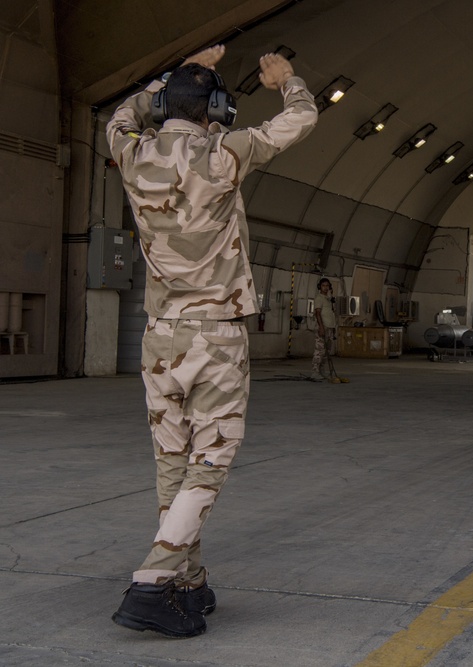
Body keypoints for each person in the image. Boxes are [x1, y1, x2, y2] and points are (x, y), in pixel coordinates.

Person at [106, 44, 318, 638]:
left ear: (163, 107)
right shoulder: (225, 152)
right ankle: (153, 580)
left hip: (159, 338)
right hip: (216, 337)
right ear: (216, 111)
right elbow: (299, 120)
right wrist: (288, 81)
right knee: (211, 459)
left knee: (173, 462)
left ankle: (188, 582)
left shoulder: (131, 152)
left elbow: (118, 118)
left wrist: (163, 78)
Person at [311, 278, 337, 379]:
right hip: (323, 327)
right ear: (319, 287)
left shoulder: (328, 299)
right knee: (319, 350)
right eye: (323, 286)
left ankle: (321, 370)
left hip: (330, 328)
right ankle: (315, 372)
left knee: (327, 351)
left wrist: (333, 328)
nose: (325, 288)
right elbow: (318, 313)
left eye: (327, 286)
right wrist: (321, 327)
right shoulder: (319, 298)